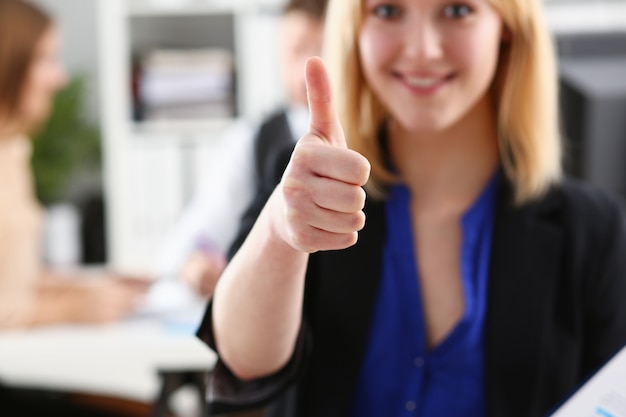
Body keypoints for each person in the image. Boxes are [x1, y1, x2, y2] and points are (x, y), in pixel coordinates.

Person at [197, 0, 626, 416]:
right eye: (388, 10)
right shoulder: (310, 183)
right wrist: (280, 232)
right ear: (356, 28)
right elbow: (243, 360)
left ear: (508, 27)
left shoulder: (593, 230)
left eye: (457, 10)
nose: (421, 49)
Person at [154, 0, 327, 299]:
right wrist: (195, 266)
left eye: (323, 51)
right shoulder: (251, 141)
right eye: (296, 50)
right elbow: (187, 245)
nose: (306, 70)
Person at [0, 0, 148, 329]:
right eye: (45, 59)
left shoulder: (12, 152)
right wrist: (68, 311)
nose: (60, 78)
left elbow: (12, 283)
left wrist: (90, 287)